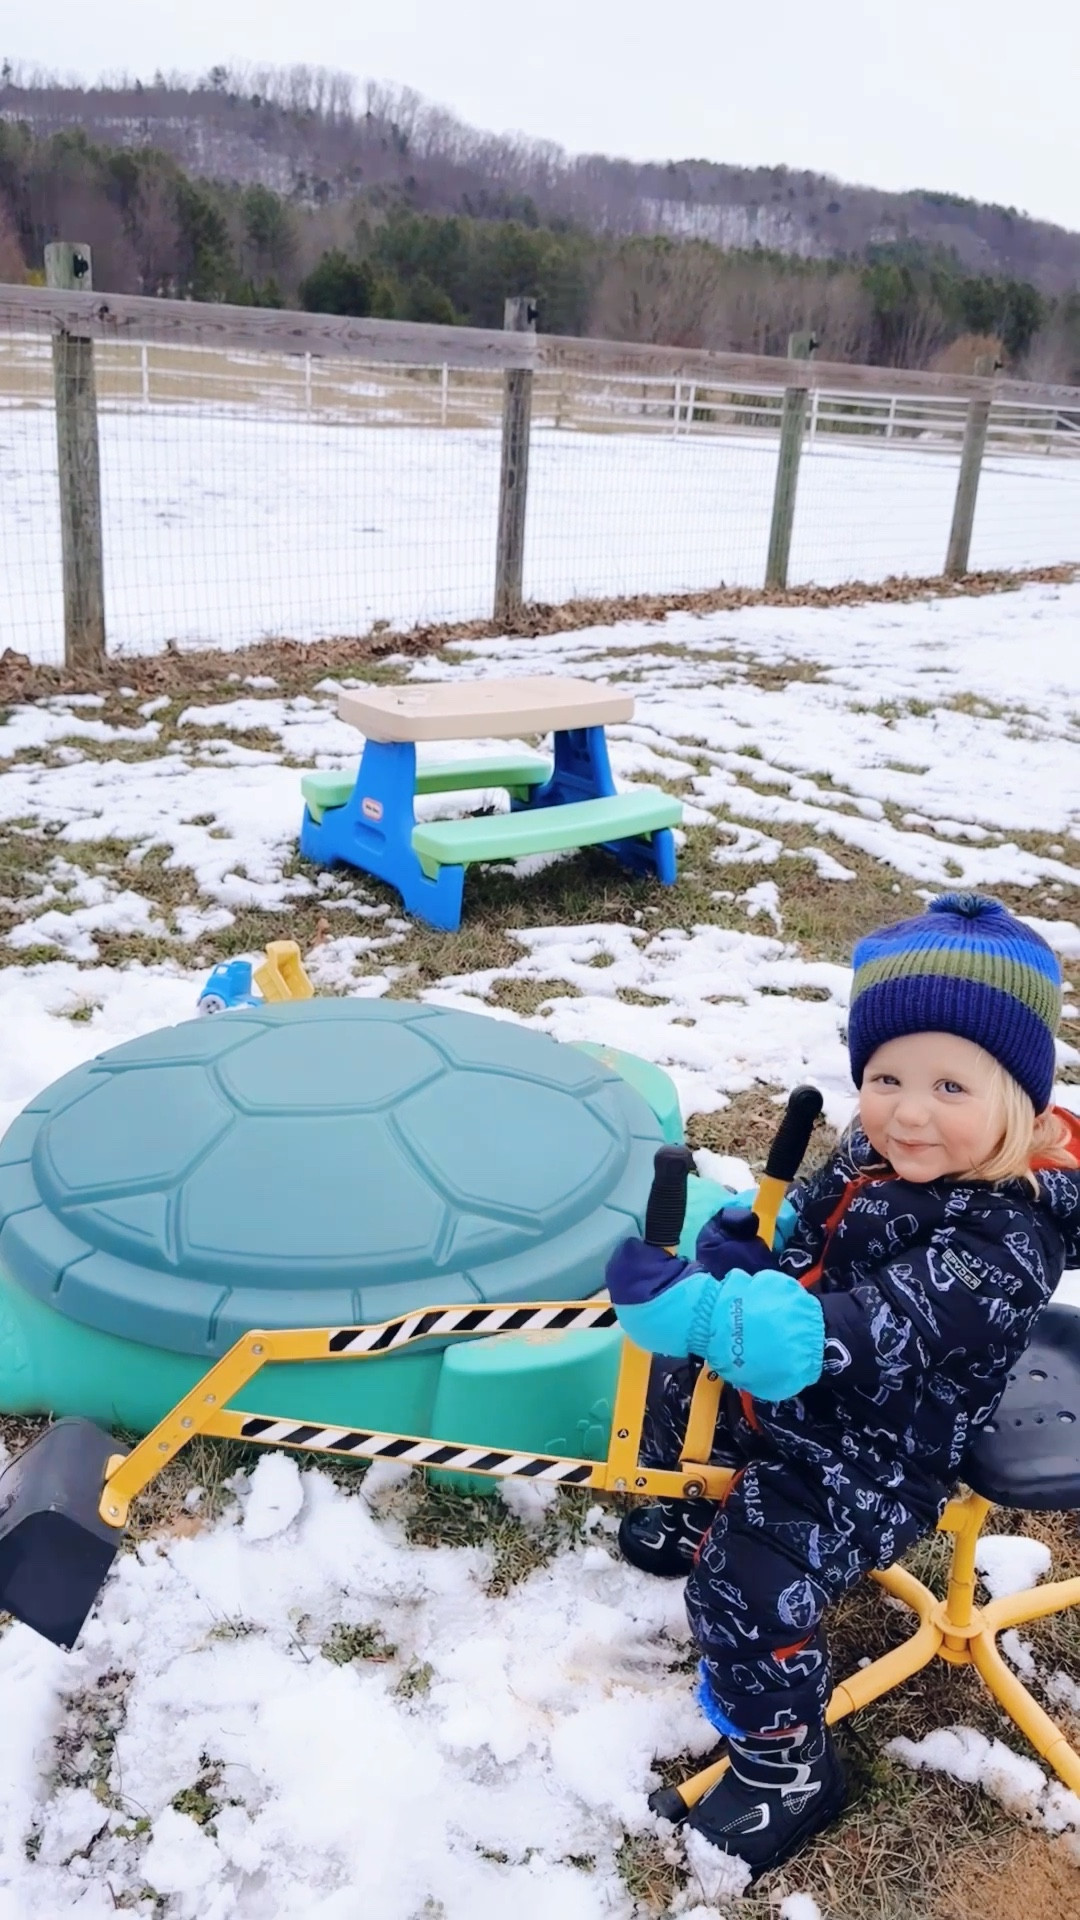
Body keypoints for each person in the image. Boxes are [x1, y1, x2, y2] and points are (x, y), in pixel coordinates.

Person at [606, 892, 1080, 1882]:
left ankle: (787, 1769)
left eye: (952, 1086)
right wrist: (756, 1236)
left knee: (750, 1582)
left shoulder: (1005, 1240)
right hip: (803, 1395)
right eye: (886, 1075)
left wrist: (707, 1312)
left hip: (878, 1446)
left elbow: (847, 1337)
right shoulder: (880, 1147)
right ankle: (694, 1500)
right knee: (682, 1382)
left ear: (1020, 1103)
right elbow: (814, 1220)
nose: (908, 1109)